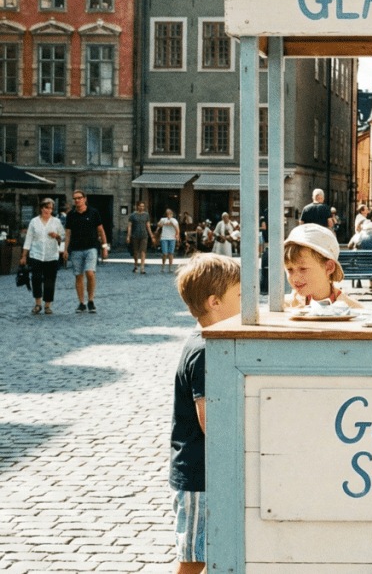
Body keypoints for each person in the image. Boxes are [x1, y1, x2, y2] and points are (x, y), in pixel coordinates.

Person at [170, 253, 242, 574]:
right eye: (240, 296)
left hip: (205, 471)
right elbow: (209, 420)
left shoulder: (206, 342)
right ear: (215, 302)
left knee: (210, 550)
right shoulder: (204, 351)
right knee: (195, 556)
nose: (246, 303)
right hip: (200, 474)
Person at [283, 223, 362, 309]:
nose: (295, 278)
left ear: (329, 267)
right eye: (290, 269)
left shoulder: (352, 308)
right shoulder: (287, 306)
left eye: (303, 269)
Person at [63, 190, 108, 314]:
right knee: (78, 275)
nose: (77, 200)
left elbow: (101, 230)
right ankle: (82, 303)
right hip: (76, 249)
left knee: (89, 273)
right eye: (75, 198)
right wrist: (65, 249)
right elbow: (68, 233)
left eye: (79, 198)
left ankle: (91, 300)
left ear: (84, 199)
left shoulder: (93, 212)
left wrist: (104, 247)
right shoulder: (71, 215)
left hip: (91, 248)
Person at [20, 198, 64, 315]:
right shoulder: (34, 222)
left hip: (52, 256)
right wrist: (24, 256)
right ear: (41, 208)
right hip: (36, 255)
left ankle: (48, 306)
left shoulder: (56, 222)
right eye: (46, 207)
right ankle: (38, 304)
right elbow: (28, 239)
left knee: (50, 281)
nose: (48, 210)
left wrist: (56, 236)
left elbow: (63, 237)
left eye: (50, 208)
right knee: (36, 279)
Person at [127, 202, 154, 274]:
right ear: (137, 206)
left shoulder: (146, 215)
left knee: (143, 251)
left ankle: (142, 268)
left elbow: (148, 226)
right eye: (140, 206)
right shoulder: (133, 215)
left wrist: (151, 235)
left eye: (143, 206)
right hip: (135, 235)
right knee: (136, 252)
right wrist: (128, 236)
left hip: (144, 236)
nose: (141, 207)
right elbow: (129, 226)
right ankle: (136, 266)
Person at [158, 209, 181, 274]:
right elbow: (159, 224)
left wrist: (178, 236)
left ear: (172, 214)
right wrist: (163, 224)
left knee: (171, 253)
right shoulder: (163, 219)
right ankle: (163, 266)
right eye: (167, 213)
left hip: (172, 238)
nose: (169, 214)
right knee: (165, 253)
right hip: (164, 237)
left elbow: (177, 228)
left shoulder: (174, 220)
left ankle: (170, 268)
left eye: (170, 213)